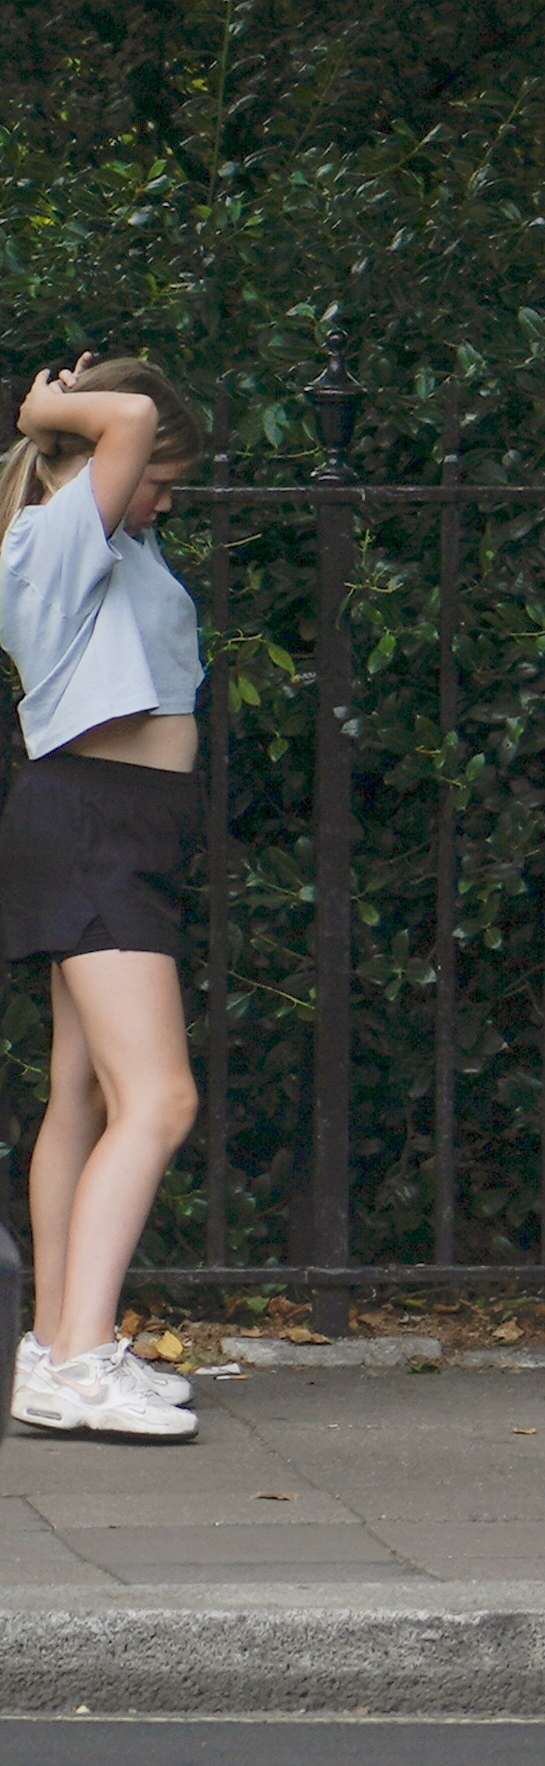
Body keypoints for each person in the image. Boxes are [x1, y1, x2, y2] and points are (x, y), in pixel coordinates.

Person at [2, 357, 209, 1442]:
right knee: (162, 1100)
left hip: (113, 827)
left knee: (82, 1096)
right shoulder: (61, 532)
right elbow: (125, 415)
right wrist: (46, 411)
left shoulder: (109, 537)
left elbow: (129, 417)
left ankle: (51, 1347)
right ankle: (79, 1358)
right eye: (158, 479)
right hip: (96, 829)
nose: (165, 499)